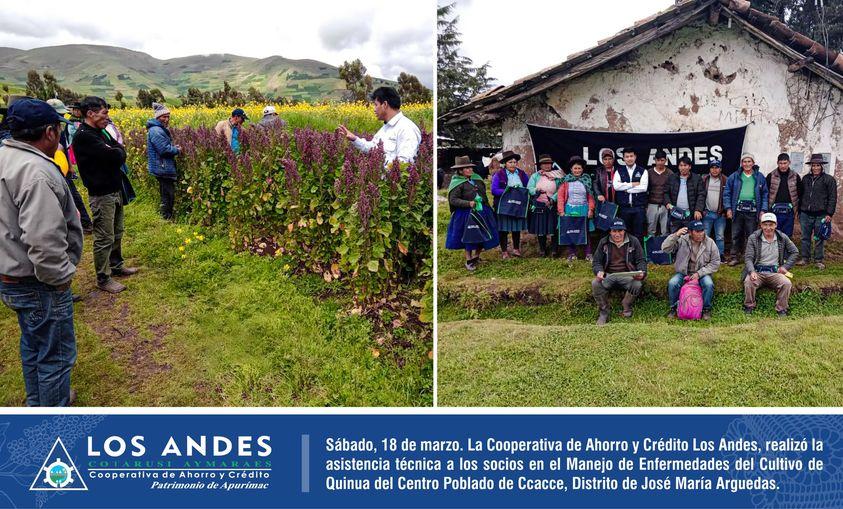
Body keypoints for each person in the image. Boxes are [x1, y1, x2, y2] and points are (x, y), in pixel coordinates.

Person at [0, 98, 83, 406]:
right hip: (37, 282)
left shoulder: (5, 157)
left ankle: (38, 403)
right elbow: (44, 241)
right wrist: (61, 279)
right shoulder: (36, 172)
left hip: (11, 274)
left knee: (33, 346)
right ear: (49, 132)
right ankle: (51, 422)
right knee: (56, 357)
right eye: (59, 131)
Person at [72, 96, 139, 294]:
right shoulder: (85, 136)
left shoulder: (100, 132)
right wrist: (117, 151)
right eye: (104, 113)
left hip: (114, 189)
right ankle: (103, 278)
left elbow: (119, 150)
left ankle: (117, 266)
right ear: (90, 114)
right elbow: (116, 155)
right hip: (101, 193)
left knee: (117, 231)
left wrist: (117, 150)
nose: (107, 117)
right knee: (104, 236)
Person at [338, 87, 421, 167]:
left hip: (391, 181)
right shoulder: (385, 128)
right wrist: (355, 139)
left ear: (384, 104)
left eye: (376, 105)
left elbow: (405, 163)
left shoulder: (407, 129)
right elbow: (373, 148)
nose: (374, 109)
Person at [47, 98, 94, 234]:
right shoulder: (48, 128)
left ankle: (85, 223)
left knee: (72, 195)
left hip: (61, 168)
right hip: (53, 168)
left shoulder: (59, 127)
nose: (61, 118)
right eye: (59, 115)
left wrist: (69, 166)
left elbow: (63, 148)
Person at [445, 156, 499, 271]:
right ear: (460, 170)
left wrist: (487, 207)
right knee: (470, 235)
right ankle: (469, 259)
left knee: (483, 233)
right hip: (467, 213)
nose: (470, 170)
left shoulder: (477, 179)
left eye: (470, 167)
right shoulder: (457, 183)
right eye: (466, 168)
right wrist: (468, 203)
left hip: (482, 211)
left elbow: (483, 194)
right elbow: (453, 199)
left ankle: (476, 256)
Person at [591, 219, 648, 325]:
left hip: (627, 275)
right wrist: (599, 271)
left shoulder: (633, 241)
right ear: (610, 232)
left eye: (620, 231)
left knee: (637, 284)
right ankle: (604, 312)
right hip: (609, 275)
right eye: (614, 231)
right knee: (595, 283)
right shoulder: (604, 242)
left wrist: (642, 273)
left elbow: (641, 260)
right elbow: (596, 262)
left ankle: (626, 307)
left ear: (624, 231)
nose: (617, 234)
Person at [661, 220, 721, 320]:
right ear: (690, 232)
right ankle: (674, 308)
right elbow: (665, 248)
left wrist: (699, 273)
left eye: (702, 230)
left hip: (702, 273)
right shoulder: (682, 240)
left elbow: (715, 263)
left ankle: (706, 310)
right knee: (672, 283)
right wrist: (676, 235)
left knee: (708, 284)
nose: (701, 233)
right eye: (697, 231)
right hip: (683, 272)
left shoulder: (710, 242)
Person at [743, 213, 799, 316]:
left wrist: (785, 267)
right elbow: (748, 257)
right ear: (761, 225)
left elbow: (795, 252)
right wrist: (751, 271)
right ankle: (749, 306)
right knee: (748, 282)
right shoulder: (753, 238)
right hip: (757, 272)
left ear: (776, 225)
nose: (768, 228)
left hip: (775, 272)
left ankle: (781, 309)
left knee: (786, 283)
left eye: (771, 225)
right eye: (765, 224)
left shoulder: (782, 237)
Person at [723, 153, 768, 266]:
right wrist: (728, 208)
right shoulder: (734, 176)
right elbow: (727, 193)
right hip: (737, 210)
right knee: (735, 235)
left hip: (753, 212)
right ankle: (734, 257)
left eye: (749, 161)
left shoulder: (759, 177)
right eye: (744, 161)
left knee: (752, 236)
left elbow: (765, 194)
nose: (747, 164)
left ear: (753, 163)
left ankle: (750, 258)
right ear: (741, 163)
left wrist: (763, 210)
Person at [797, 153, 837, 270]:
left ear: (822, 166)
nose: (815, 168)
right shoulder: (805, 179)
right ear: (811, 166)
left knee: (819, 238)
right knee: (805, 237)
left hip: (821, 214)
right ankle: (805, 258)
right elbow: (801, 195)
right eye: (813, 165)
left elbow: (832, 198)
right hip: (805, 213)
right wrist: (800, 210)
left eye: (818, 165)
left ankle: (818, 260)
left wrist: (829, 213)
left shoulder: (829, 180)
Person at [146, 102, 181, 220]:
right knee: (168, 194)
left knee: (165, 193)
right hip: (162, 167)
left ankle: (165, 216)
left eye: (168, 116)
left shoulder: (157, 129)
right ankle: (166, 218)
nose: (166, 119)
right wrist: (176, 149)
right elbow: (164, 150)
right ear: (157, 117)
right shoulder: (156, 130)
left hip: (161, 166)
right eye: (163, 117)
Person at [491, 150, 529, 258]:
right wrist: (509, 191)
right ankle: (504, 251)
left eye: (514, 162)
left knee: (516, 228)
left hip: (517, 205)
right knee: (503, 228)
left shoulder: (521, 174)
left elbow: (527, 187)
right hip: (503, 206)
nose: (513, 164)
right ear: (505, 164)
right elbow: (494, 190)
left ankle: (516, 249)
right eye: (510, 162)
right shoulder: (499, 175)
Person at [557, 156, 595, 261]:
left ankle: (588, 253)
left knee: (586, 232)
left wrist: (591, 209)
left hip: (584, 209)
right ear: (571, 169)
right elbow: (560, 197)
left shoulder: (587, 180)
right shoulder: (565, 181)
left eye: (579, 168)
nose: (577, 170)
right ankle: (572, 254)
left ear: (582, 169)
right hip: (570, 209)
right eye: (575, 168)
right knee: (571, 231)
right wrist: (561, 211)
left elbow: (591, 197)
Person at [527, 154, 563, 257]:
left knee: (554, 228)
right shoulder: (535, 176)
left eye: (549, 164)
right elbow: (529, 188)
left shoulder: (557, 176)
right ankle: (542, 250)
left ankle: (554, 250)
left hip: (552, 205)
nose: (547, 166)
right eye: (544, 164)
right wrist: (537, 190)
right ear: (540, 165)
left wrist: (552, 199)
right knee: (541, 228)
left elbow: (560, 189)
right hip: (539, 205)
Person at [612, 147, 648, 240]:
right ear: (623, 158)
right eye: (627, 156)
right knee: (625, 232)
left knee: (639, 233)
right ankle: (627, 253)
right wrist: (632, 184)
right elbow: (616, 186)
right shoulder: (619, 171)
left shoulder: (643, 171)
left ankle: (638, 254)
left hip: (639, 208)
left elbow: (643, 188)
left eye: (631, 156)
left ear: (635, 157)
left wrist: (626, 189)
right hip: (624, 208)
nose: (629, 158)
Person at [765, 153, 802, 237]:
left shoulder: (795, 176)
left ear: (789, 162)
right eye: (781, 163)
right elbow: (765, 193)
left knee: (787, 236)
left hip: (789, 211)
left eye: (785, 163)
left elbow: (800, 194)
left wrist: (797, 210)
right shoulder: (771, 176)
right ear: (777, 163)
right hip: (774, 210)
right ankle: (774, 250)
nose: (783, 166)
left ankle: (785, 250)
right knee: (773, 234)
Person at [666, 156, 705, 231]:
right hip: (675, 213)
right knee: (674, 237)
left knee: (690, 237)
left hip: (690, 214)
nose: (683, 168)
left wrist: (698, 209)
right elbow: (666, 192)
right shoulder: (672, 177)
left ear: (689, 167)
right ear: (678, 167)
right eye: (681, 165)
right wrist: (667, 203)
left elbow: (701, 195)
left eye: (685, 165)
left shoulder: (697, 178)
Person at [701, 158, 728, 261]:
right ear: (709, 169)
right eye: (712, 167)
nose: (714, 170)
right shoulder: (704, 179)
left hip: (720, 214)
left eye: (717, 167)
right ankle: (705, 255)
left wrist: (725, 211)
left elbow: (728, 196)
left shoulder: (725, 179)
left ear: (720, 169)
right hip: (707, 213)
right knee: (705, 236)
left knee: (720, 236)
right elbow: (700, 195)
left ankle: (720, 255)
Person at [646, 150, 673, 237]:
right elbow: (645, 190)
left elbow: (672, 191)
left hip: (665, 205)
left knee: (665, 231)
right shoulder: (649, 172)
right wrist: (645, 206)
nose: (660, 162)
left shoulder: (670, 173)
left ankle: (665, 250)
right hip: (651, 204)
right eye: (658, 160)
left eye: (662, 160)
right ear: (654, 160)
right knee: (650, 230)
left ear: (666, 160)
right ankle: (650, 250)